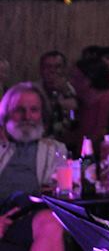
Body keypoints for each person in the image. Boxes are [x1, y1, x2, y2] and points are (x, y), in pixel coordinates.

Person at [0, 83, 67, 251]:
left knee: (51, 221)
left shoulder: (55, 150)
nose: (27, 116)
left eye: (34, 110)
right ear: (6, 114)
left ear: (42, 115)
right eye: (19, 110)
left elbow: (63, 192)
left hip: (31, 216)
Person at [35, 52, 77, 154]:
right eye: (48, 67)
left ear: (64, 69)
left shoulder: (72, 90)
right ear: (41, 70)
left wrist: (65, 92)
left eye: (57, 67)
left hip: (66, 144)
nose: (52, 71)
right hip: (38, 143)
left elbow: (74, 120)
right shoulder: (33, 91)